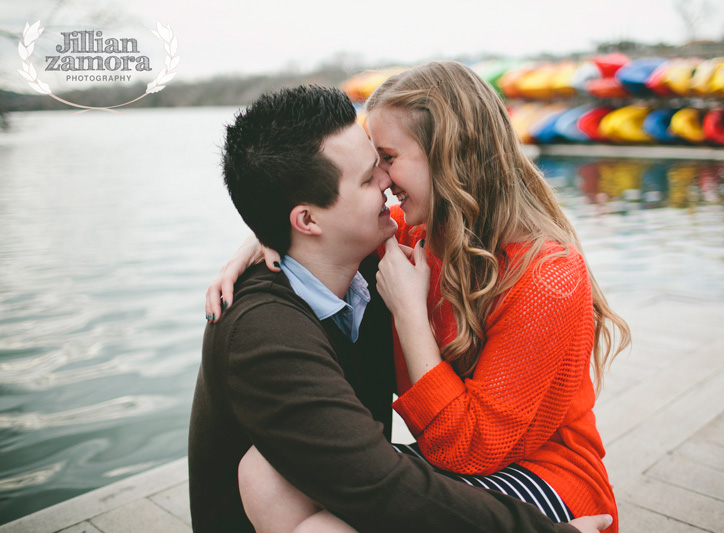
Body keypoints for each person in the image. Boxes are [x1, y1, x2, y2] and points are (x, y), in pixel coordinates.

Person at [190, 84, 613, 533]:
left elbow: (467, 454)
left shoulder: (540, 274)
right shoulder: (408, 244)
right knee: (264, 475)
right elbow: (309, 221)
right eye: (375, 168)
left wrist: (410, 312)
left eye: (386, 160)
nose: (386, 182)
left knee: (312, 516)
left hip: (547, 473)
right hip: (456, 462)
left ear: (450, 160)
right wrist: (265, 234)